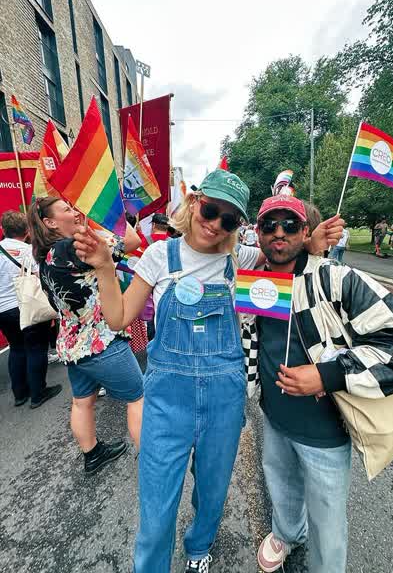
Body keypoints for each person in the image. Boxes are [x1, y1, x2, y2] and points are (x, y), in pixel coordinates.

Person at [73, 171, 345, 573]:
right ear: (194, 201)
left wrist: (312, 244)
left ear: (238, 226)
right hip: (166, 403)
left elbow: (284, 255)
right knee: (156, 505)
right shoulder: (159, 255)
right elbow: (118, 317)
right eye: (211, 210)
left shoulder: (241, 259)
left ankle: (199, 547)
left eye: (229, 219)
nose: (215, 224)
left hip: (223, 402)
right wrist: (103, 267)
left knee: (213, 491)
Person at [253, 195, 393, 573]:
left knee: (328, 526)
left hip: (325, 431)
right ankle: (286, 533)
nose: (279, 233)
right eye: (269, 225)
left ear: (305, 231)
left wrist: (327, 375)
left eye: (289, 225)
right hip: (274, 416)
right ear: (258, 232)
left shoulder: (336, 278)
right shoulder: (253, 280)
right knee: (281, 488)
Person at [28, 197, 144, 475]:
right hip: (101, 340)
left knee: (82, 402)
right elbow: (132, 240)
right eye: (67, 209)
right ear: (50, 222)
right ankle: (154, 463)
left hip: (72, 343)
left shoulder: (46, 256)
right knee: (139, 398)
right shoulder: (75, 247)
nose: (75, 211)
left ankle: (92, 454)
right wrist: (99, 210)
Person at [0, 210, 62, 408]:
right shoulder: (29, 251)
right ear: (27, 230)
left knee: (16, 348)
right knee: (36, 348)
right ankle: (38, 393)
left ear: (3, 229)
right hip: (26, 305)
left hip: (3, 309)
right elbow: (41, 276)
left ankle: (20, 394)